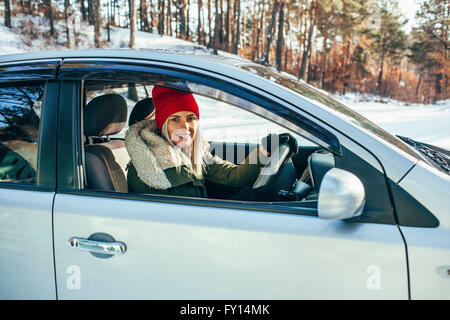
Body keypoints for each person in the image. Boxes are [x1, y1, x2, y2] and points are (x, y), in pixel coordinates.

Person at [125, 86, 296, 199]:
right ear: (163, 125)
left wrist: (264, 151)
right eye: (175, 119)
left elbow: (233, 177)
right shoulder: (146, 166)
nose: (185, 126)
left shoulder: (192, 152)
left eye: (190, 118)